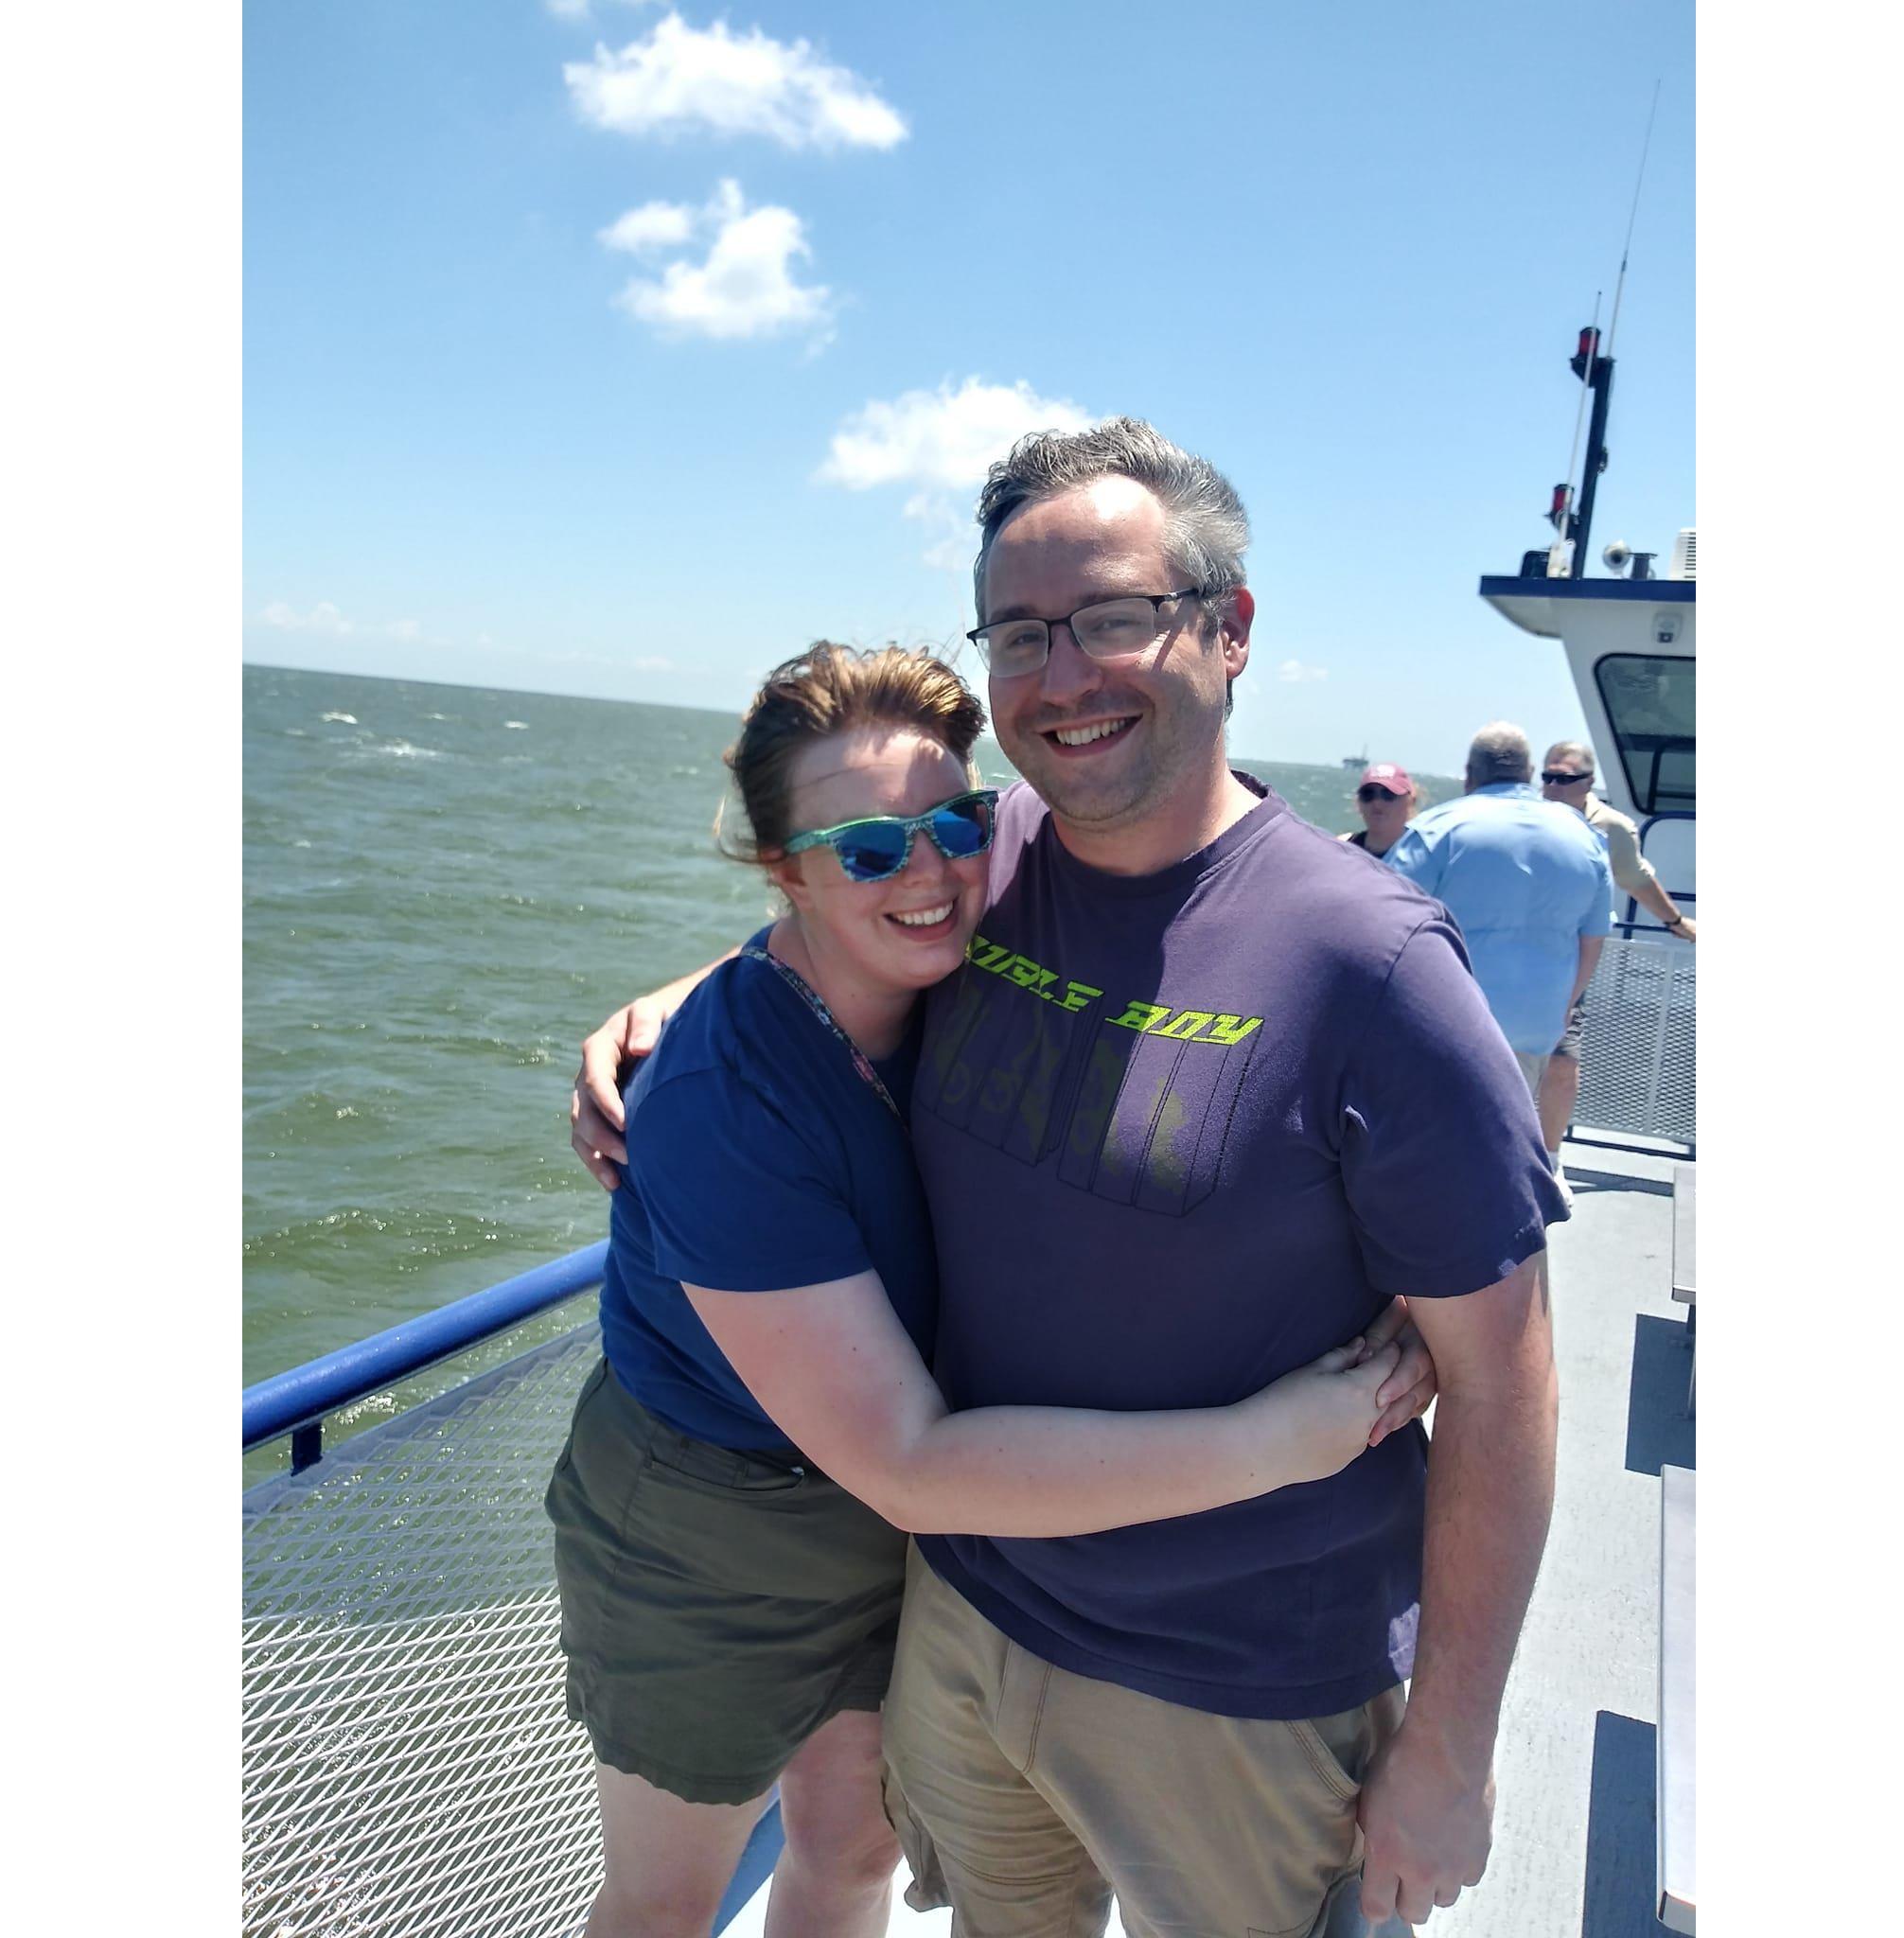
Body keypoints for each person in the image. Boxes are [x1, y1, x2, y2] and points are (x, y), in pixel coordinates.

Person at [573, 421, 1562, 1936]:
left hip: (1237, 1685)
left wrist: (1452, 1746)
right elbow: (850, 904)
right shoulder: (1001, 854)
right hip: (963, 1622)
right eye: (1022, 633)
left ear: (1229, 630)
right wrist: (679, 1008)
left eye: (1112, 615)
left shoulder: (1372, 966)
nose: (1063, 673)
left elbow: (1504, 1380)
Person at [1384, 724, 1615, 1114]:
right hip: (1537, 1024)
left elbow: (1383, 920)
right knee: (1504, 1131)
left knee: (1432, 1136)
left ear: (1470, 774)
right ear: (1529, 773)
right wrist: (1564, 1005)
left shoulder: (1438, 830)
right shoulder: (1584, 837)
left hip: (1447, 1025)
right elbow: (1592, 937)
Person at [1535, 740, 1696, 1165]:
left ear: (1588, 782)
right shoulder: (1524, 818)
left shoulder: (1611, 828)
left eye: (1565, 779)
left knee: (1561, 1061)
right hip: (1510, 954)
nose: (1553, 787)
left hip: (1568, 962)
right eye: (1547, 777)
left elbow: (1635, 879)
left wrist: (1676, 922)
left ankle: (1549, 1161)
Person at [1340, 762, 1422, 857]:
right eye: (1368, 794)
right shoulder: (1341, 847)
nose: (1377, 803)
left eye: (1388, 794)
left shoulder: (1425, 853)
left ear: (1410, 802)